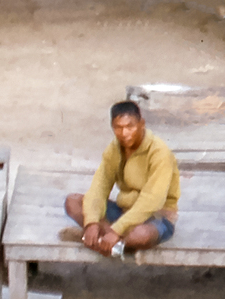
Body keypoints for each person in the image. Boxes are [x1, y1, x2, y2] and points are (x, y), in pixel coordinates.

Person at [64, 100, 180, 256]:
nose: (124, 134)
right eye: (118, 128)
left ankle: (98, 241)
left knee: (141, 235)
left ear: (142, 124)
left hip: (154, 216)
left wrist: (116, 230)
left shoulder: (159, 152)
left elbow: (152, 201)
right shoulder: (114, 149)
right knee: (73, 202)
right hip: (123, 212)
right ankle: (110, 244)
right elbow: (99, 187)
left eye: (130, 127)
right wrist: (91, 222)